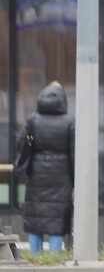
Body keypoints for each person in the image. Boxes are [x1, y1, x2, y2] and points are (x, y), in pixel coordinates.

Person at [15, 82, 75, 254]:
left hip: (37, 174)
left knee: (36, 219)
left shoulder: (33, 119)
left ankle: (34, 256)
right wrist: (74, 183)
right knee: (57, 222)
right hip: (61, 178)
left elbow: (21, 143)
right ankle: (54, 258)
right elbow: (73, 155)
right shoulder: (69, 122)